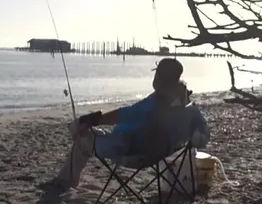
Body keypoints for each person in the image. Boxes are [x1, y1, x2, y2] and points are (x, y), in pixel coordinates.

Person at [54, 57, 208, 188]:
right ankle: (67, 178)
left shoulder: (157, 102)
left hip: (131, 151)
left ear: (160, 77)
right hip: (160, 152)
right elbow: (202, 134)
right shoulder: (187, 105)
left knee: (80, 135)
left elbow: (124, 114)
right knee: (87, 133)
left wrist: (93, 120)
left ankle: (65, 181)